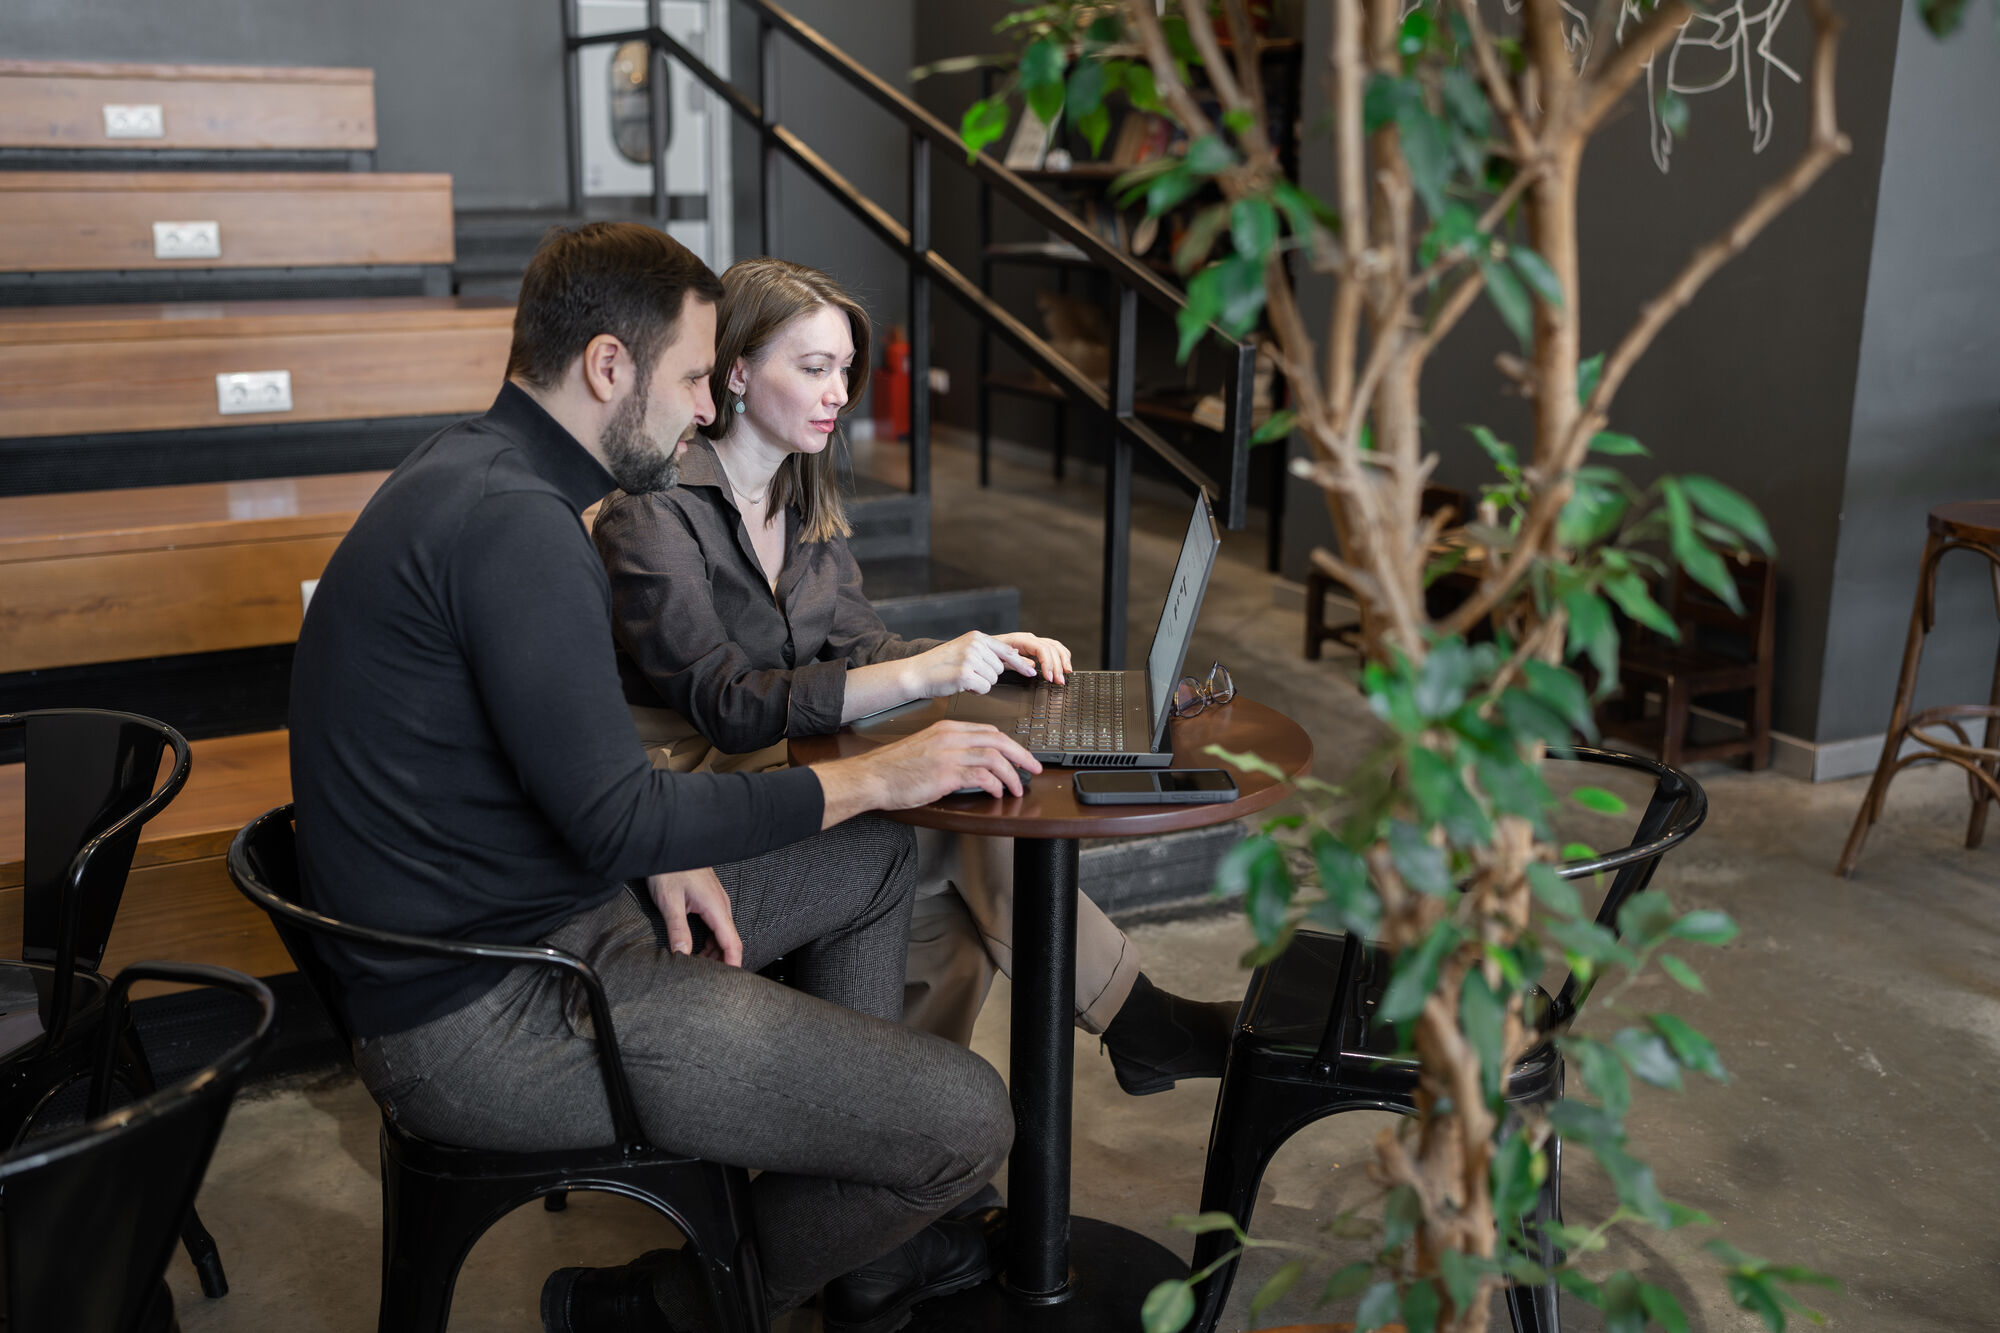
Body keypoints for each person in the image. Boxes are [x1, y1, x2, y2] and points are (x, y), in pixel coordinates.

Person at [289, 222, 1043, 1333]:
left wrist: (666, 840)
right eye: (693, 378)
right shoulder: (517, 527)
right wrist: (880, 774)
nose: (703, 407)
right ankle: (660, 1306)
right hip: (498, 1010)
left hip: (545, 921)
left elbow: (580, 786)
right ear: (608, 366)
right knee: (969, 1118)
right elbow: (621, 812)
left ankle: (859, 1236)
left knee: (878, 858)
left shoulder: (478, 473)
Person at [591, 257, 1235, 1101]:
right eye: (814, 368)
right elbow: (726, 705)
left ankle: (911, 1121)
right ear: (737, 372)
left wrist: (981, 652)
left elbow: (865, 645)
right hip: (696, 782)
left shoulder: (801, 496)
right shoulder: (654, 510)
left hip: (789, 753)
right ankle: (1137, 1022)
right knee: (968, 805)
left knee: (952, 927)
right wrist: (924, 675)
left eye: (844, 370)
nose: (838, 393)